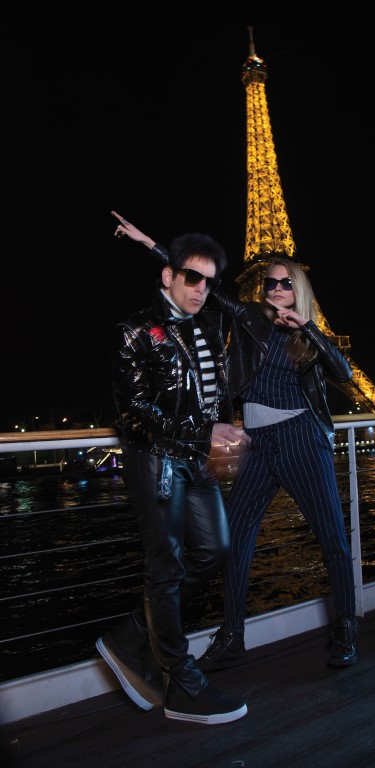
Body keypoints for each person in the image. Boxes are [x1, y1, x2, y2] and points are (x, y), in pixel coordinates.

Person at [111, 210, 358, 673]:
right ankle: (232, 636)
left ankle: (345, 626)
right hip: (256, 443)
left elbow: (343, 374)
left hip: (302, 437)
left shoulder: (308, 337)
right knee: (237, 541)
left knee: (332, 539)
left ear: (299, 289)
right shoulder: (249, 318)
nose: (275, 290)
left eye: (285, 284)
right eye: (269, 284)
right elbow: (198, 282)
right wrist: (148, 243)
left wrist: (306, 327)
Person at [96, 213, 251, 725]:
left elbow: (239, 312)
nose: (202, 289)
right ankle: (180, 680)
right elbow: (135, 412)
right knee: (166, 568)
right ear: (167, 275)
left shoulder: (206, 323)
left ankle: (131, 637)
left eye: (209, 280)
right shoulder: (134, 331)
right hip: (157, 462)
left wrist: (218, 432)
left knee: (215, 551)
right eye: (191, 277)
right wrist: (204, 433)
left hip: (197, 462)